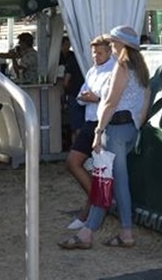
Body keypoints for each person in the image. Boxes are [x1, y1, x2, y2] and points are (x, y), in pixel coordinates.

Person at [59, 25, 150, 250]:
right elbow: (144, 100)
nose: (111, 45)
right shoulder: (140, 68)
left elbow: (110, 102)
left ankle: (92, 233)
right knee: (110, 181)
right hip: (130, 128)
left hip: (115, 129)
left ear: (120, 44)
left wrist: (99, 132)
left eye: (113, 42)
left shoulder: (122, 66)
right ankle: (105, 231)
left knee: (106, 181)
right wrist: (136, 125)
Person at [63, 36, 116, 229]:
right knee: (73, 162)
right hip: (90, 122)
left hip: (104, 123)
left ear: (109, 52)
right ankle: (98, 201)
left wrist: (95, 98)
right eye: (94, 53)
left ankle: (93, 208)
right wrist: (90, 98)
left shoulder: (114, 70)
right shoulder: (93, 70)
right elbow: (81, 95)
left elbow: (113, 99)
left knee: (99, 169)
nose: (96, 56)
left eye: (100, 53)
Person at [58, 36, 84, 151]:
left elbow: (66, 81)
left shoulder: (72, 59)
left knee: (76, 125)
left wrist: (66, 92)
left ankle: (76, 149)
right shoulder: (87, 59)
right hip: (89, 96)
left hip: (74, 94)